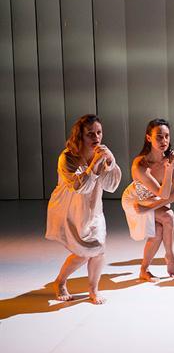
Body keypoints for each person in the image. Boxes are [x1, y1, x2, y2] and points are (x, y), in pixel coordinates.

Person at [46, 114, 121, 304]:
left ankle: (93, 290)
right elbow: (80, 187)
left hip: (93, 209)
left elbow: (111, 186)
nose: (96, 137)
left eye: (99, 132)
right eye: (90, 134)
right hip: (71, 210)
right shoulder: (67, 157)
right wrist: (95, 164)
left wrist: (111, 162)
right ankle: (60, 281)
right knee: (83, 253)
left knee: (99, 249)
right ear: (80, 136)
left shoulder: (101, 154)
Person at [121, 119, 174, 282]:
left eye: (167, 136)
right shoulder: (141, 164)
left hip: (153, 200)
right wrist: (168, 171)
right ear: (148, 138)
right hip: (135, 200)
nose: (164, 141)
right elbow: (164, 194)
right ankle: (170, 256)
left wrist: (149, 208)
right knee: (168, 217)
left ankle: (144, 269)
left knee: (158, 230)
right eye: (159, 137)